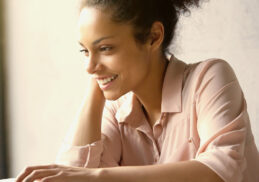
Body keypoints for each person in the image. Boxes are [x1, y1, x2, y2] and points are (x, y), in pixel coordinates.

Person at [16, 0, 259, 181]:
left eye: (106, 48)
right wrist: (97, 81)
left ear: (154, 37)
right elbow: (69, 175)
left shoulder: (209, 78)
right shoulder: (116, 110)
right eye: (85, 51)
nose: (88, 66)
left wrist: (99, 176)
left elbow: (220, 170)